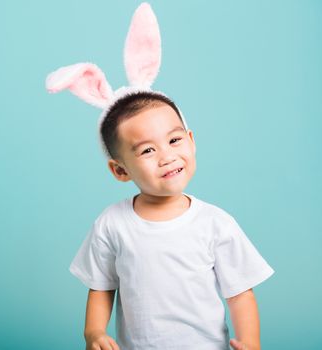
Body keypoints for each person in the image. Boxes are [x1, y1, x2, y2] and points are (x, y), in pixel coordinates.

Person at [45, 3, 274, 350]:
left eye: (174, 140)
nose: (167, 156)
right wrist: (93, 333)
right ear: (120, 170)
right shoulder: (112, 224)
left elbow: (240, 294)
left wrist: (251, 342)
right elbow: (101, 287)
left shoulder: (215, 224)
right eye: (147, 150)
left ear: (191, 141)